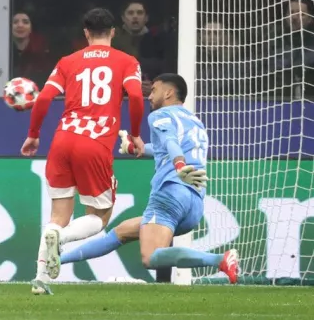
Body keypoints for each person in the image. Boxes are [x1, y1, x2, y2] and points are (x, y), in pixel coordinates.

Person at [58, 74, 239, 284]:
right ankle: (58, 260)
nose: (149, 96)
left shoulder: (160, 115)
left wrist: (179, 164)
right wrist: (136, 148)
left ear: (169, 92)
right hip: (194, 201)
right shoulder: (195, 122)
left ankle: (220, 260)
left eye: (154, 90)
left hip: (170, 192)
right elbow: (167, 147)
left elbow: (171, 142)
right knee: (122, 232)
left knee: (151, 256)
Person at [21, 8, 146, 296]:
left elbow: (44, 98)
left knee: (58, 214)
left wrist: (33, 135)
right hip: (95, 142)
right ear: (114, 32)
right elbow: (137, 96)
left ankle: (41, 280)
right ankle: (61, 238)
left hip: (63, 139)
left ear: (86, 33)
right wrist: (136, 134)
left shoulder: (68, 61)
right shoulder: (127, 61)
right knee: (99, 217)